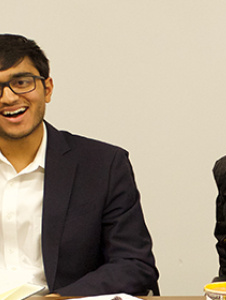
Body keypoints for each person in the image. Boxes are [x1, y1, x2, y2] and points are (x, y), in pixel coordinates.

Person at [0, 34, 158, 295]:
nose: (8, 98)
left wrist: (60, 298)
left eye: (21, 82)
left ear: (47, 88)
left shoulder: (102, 165)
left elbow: (133, 265)